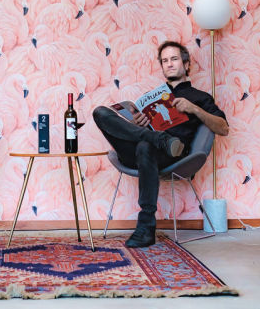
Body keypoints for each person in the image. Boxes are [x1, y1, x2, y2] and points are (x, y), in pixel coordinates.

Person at [93, 40, 229, 248]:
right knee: (100, 113)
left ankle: (146, 227)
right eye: (165, 61)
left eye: (174, 59)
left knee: (145, 146)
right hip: (141, 148)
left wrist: (194, 109)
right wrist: (138, 123)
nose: (169, 64)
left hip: (172, 155)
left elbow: (223, 128)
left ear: (186, 64)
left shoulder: (199, 97)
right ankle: (157, 138)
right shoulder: (154, 98)